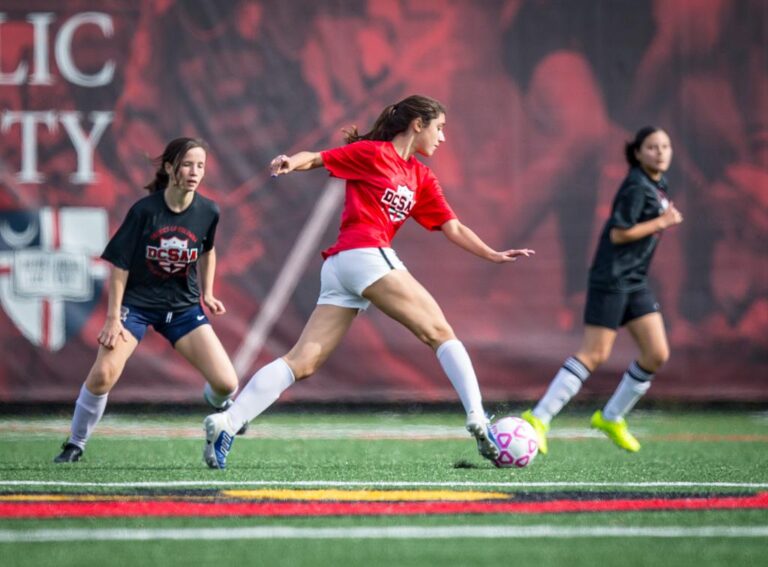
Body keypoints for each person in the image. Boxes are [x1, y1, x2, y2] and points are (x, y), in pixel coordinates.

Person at [202, 94, 534, 469]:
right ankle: (478, 418)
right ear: (417, 124)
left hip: (345, 267)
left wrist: (491, 254)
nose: (442, 138)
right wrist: (289, 163)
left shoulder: (422, 177)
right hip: (362, 254)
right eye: (439, 128)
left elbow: (452, 226)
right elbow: (317, 157)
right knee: (440, 333)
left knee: (303, 361)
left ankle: (227, 423)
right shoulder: (374, 154)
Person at [54, 137, 241, 463]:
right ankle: (75, 444)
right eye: (187, 164)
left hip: (182, 310)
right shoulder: (144, 211)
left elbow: (208, 251)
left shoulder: (208, 211)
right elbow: (120, 265)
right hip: (136, 308)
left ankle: (220, 408)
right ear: (169, 168)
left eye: (200, 165)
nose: (194, 172)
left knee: (226, 384)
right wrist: (114, 317)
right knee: (103, 375)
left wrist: (208, 292)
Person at [522, 126, 683, 454]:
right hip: (611, 278)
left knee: (656, 353)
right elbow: (618, 234)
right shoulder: (637, 186)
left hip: (635, 280)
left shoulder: (657, 185)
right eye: (652, 147)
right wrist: (661, 222)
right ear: (637, 153)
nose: (660, 152)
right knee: (595, 353)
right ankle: (538, 417)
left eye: (665, 146)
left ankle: (611, 417)